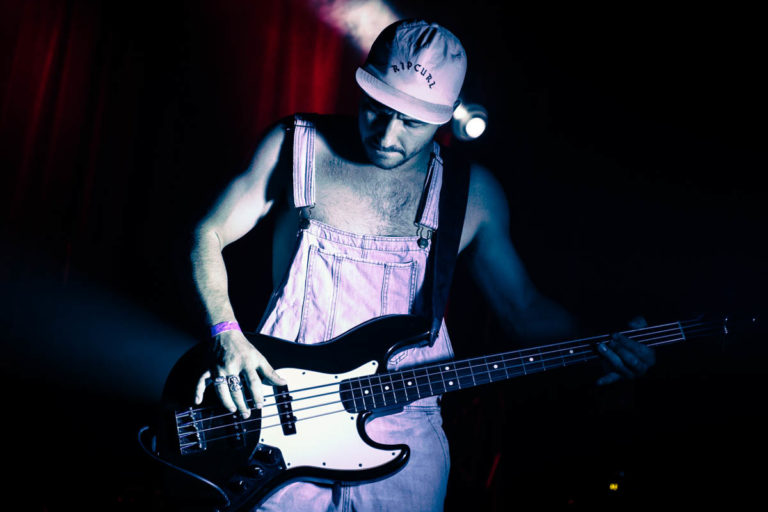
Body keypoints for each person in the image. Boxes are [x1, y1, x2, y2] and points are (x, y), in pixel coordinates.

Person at [189, 19, 655, 511]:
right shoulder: (295, 144)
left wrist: (603, 340)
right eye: (377, 108)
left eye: (410, 122)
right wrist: (225, 332)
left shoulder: (472, 194)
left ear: (444, 117)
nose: (386, 134)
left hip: (406, 437)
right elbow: (207, 234)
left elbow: (521, 308)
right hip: (280, 418)